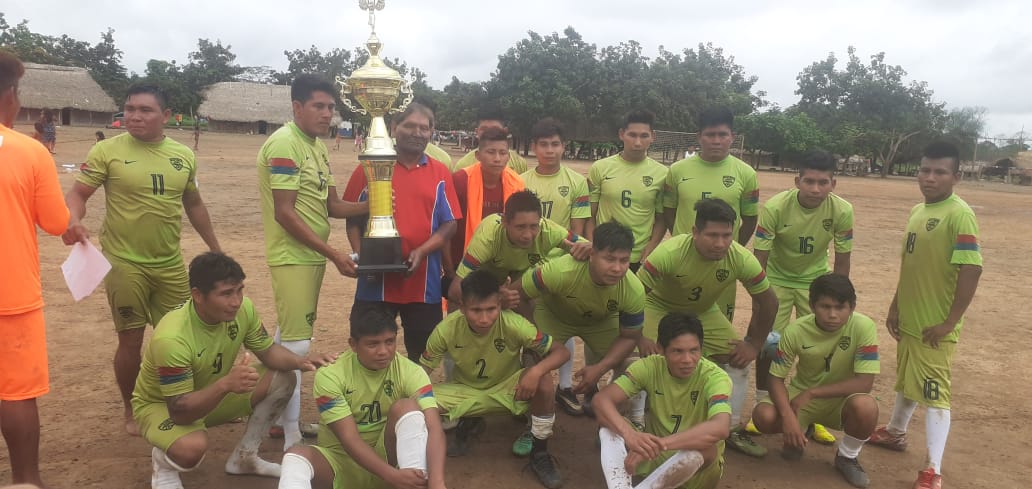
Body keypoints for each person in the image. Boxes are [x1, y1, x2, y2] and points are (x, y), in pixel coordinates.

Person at [62, 84, 222, 436]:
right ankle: (131, 408)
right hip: (124, 264)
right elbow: (78, 194)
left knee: (183, 339)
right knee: (131, 340)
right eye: (129, 108)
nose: (134, 116)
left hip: (169, 264)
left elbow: (193, 204)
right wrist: (73, 220)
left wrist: (214, 247)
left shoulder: (183, 156)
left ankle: (185, 403)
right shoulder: (107, 150)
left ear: (166, 116)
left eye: (145, 110)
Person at [133, 252, 337, 489]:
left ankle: (245, 457)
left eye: (239, 290)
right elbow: (180, 410)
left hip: (212, 393)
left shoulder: (243, 310)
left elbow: (268, 350)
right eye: (226, 293)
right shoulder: (172, 338)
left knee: (283, 377)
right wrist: (226, 385)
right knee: (191, 449)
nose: (236, 301)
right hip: (162, 406)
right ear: (198, 295)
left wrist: (301, 361)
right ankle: (164, 464)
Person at [257, 74, 369, 449]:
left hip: (309, 257)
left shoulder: (317, 148)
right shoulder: (286, 145)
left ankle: (273, 419)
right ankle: (290, 436)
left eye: (331, 108)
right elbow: (284, 214)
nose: (327, 114)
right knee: (298, 347)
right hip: (294, 258)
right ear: (297, 107)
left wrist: (379, 203)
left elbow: (333, 206)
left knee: (284, 341)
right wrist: (335, 253)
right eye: (319, 106)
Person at [867, 141, 983, 489]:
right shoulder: (918, 211)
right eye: (925, 170)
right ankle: (895, 432)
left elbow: (971, 269)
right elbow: (911, 265)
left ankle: (933, 469)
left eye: (939, 172)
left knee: (935, 393)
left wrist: (950, 321)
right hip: (911, 318)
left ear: (956, 177)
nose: (929, 178)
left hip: (936, 325)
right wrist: (895, 304)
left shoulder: (959, 214)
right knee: (907, 379)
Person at [637, 198, 777, 458]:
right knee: (651, 358)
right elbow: (633, 296)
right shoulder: (669, 253)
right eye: (712, 235)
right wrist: (640, 335)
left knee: (738, 359)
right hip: (658, 305)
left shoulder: (740, 257)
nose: (721, 243)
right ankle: (639, 422)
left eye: (727, 235)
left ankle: (731, 428)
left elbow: (768, 302)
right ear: (695, 232)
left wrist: (754, 344)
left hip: (703, 311)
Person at [421, 270, 568, 489]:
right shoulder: (446, 329)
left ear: (500, 304)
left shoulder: (514, 324)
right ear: (462, 307)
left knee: (544, 383)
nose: (484, 318)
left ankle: (539, 453)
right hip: (464, 391)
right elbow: (420, 372)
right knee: (414, 402)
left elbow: (561, 352)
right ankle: (419, 465)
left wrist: (536, 372)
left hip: (508, 388)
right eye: (476, 310)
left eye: (491, 309)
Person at [278, 304, 448, 489]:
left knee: (408, 408)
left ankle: (413, 484)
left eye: (390, 342)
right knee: (295, 456)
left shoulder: (411, 372)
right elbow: (349, 439)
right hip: (342, 463)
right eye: (373, 344)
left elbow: (434, 428)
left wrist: (437, 483)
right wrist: (392, 476)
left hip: (389, 460)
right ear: (353, 344)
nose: (383, 351)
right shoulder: (331, 375)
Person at [749, 149, 854, 445]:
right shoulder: (776, 207)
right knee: (769, 343)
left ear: (834, 183)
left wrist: (839, 300)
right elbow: (760, 257)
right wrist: (761, 299)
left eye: (823, 182)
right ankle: (762, 405)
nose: (815, 189)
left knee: (819, 348)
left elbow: (843, 260)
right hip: (778, 282)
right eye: (809, 181)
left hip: (816, 283)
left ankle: (812, 415)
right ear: (797, 181)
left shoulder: (842, 210)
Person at [0, 51, 70, 488]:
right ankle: (26, 480)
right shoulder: (29, 151)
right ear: (10, 95)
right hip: (10, 295)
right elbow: (58, 222)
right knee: (15, 392)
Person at [343, 102, 461, 362]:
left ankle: (414, 401)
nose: (417, 133)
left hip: (423, 281)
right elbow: (352, 219)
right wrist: (362, 256)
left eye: (424, 127)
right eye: (410, 125)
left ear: (432, 132)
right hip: (375, 283)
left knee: (422, 353)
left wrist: (422, 251)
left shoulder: (440, 172)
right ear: (394, 128)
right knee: (371, 348)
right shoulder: (369, 167)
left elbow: (450, 223)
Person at [750, 274, 878, 488]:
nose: (832, 315)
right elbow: (775, 378)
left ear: (852, 307)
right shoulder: (796, 330)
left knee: (866, 407)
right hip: (800, 397)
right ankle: (801, 429)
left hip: (838, 400)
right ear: (811, 305)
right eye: (825, 306)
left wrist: (812, 393)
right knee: (762, 416)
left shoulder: (864, 327)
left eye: (840, 307)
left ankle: (847, 456)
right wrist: (788, 416)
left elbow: (864, 384)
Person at [516, 222, 645, 419]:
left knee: (633, 365)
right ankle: (533, 424)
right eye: (609, 259)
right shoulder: (559, 271)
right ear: (591, 254)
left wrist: (599, 370)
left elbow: (630, 336)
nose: (617, 268)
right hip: (553, 317)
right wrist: (533, 334)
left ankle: (613, 425)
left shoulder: (633, 288)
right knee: (533, 360)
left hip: (600, 323)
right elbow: (517, 294)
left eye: (624, 260)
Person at [593, 312, 731, 489]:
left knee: (707, 448)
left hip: (695, 468)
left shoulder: (715, 377)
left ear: (701, 349)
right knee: (609, 428)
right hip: (654, 457)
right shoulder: (649, 366)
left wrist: (661, 445)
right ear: (660, 348)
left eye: (694, 350)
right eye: (677, 351)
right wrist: (630, 435)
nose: (687, 360)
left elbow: (720, 427)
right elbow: (601, 401)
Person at [520, 117, 592, 416]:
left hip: (563, 263)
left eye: (555, 144)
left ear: (564, 146)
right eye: (543, 144)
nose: (550, 150)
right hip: (526, 263)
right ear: (534, 147)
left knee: (564, 324)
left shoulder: (576, 182)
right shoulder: (520, 180)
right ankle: (528, 381)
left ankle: (564, 387)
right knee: (528, 326)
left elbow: (577, 232)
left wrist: (567, 262)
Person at [663, 107, 759, 323]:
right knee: (677, 327)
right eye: (710, 135)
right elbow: (668, 210)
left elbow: (750, 218)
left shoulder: (746, 174)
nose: (716, 140)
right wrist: (682, 238)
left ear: (732, 137)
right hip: (682, 260)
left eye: (722, 135)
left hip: (722, 263)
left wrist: (730, 247)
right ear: (699, 137)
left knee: (719, 329)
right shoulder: (677, 170)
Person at [445, 190, 590, 306]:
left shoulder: (550, 231)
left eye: (534, 226)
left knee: (528, 308)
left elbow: (592, 249)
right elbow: (454, 291)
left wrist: (588, 249)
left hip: (516, 279)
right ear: (504, 222)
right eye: (520, 227)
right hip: (481, 281)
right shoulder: (488, 238)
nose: (527, 235)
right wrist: (494, 298)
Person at [587, 109, 668, 273]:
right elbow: (590, 214)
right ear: (622, 134)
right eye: (632, 135)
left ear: (653, 136)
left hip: (637, 256)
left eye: (644, 136)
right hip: (604, 253)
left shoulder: (662, 174)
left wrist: (651, 248)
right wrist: (592, 246)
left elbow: (661, 219)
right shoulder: (600, 168)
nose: (637, 142)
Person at [448, 126, 526, 269]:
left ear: (508, 157)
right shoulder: (460, 180)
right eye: (491, 152)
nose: (497, 159)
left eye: (502, 153)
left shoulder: (516, 183)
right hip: (462, 261)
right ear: (478, 155)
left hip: (500, 261)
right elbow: (446, 226)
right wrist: (449, 271)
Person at [451, 106, 528, 174]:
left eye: (495, 129)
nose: (490, 133)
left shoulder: (519, 163)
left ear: (505, 131)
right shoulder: (463, 166)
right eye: (484, 129)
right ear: (477, 132)